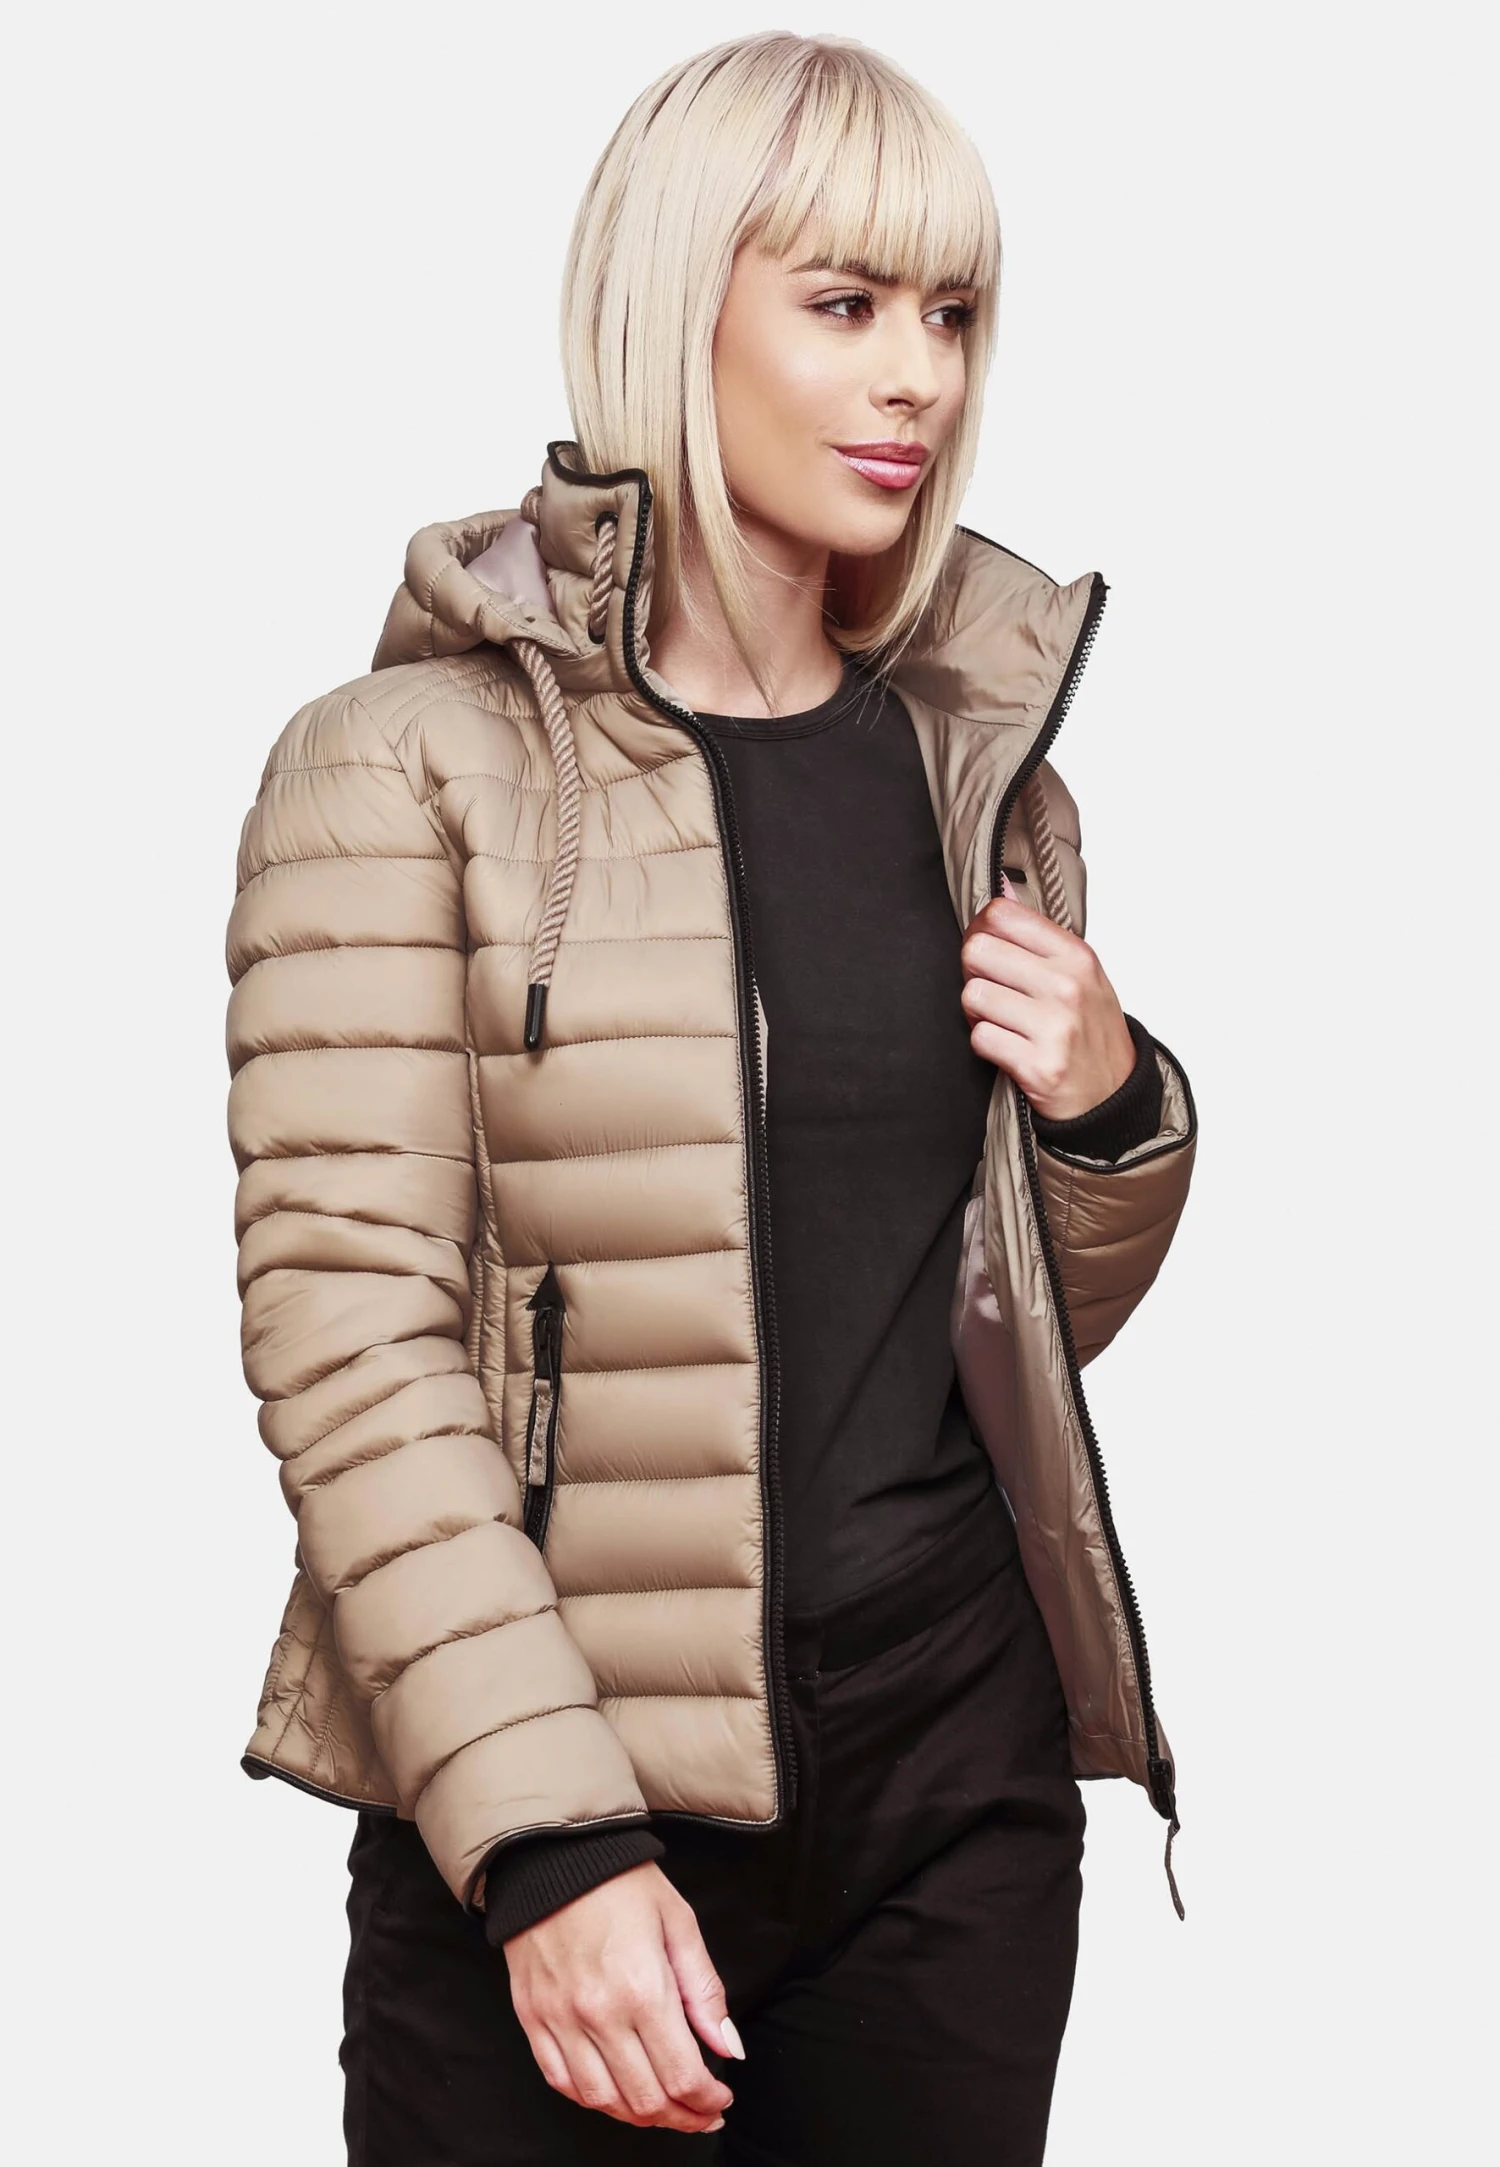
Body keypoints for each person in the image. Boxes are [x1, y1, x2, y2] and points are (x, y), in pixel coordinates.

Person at [223, 30, 1199, 2165]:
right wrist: (547, 1843)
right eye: (845, 304)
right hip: (566, 1784)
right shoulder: (399, 768)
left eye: (951, 312)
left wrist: (1110, 1110)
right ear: (680, 308)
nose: (918, 376)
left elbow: (966, 1325)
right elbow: (352, 1341)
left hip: (950, 1785)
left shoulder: (977, 776)